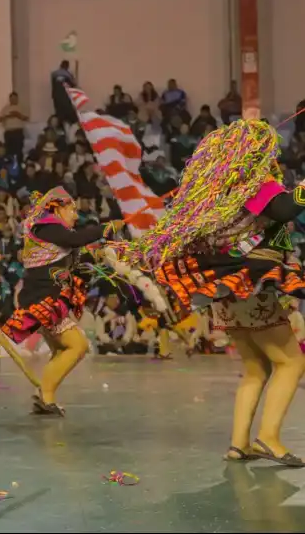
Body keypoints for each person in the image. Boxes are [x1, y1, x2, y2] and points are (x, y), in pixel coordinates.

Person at [115, 120, 305, 465]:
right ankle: (269, 437)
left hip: (227, 292)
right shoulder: (256, 186)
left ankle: (239, 444)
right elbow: (285, 209)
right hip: (253, 285)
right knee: (291, 361)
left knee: (255, 368)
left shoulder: (217, 196)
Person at [2, 187, 122, 416]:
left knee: (61, 349)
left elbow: (75, 256)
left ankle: (44, 396)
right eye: (72, 209)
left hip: (46, 298)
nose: (76, 215)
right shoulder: (47, 227)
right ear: (57, 208)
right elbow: (75, 239)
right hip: (43, 300)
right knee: (78, 345)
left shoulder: (52, 234)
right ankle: (45, 397)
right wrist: (106, 227)